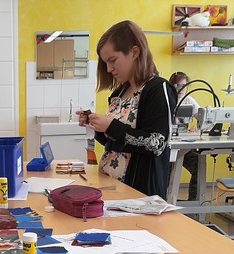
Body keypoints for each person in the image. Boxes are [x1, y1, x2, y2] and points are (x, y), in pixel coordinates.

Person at [78, 20, 176, 199]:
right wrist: (96, 125)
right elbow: (115, 142)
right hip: (111, 186)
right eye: (106, 63)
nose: (109, 69)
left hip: (139, 194)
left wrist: (111, 126)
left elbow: (156, 144)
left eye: (113, 60)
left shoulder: (157, 89)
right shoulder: (119, 93)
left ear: (134, 52)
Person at [169, 71, 201, 201]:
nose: (181, 89)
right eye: (178, 85)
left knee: (198, 168)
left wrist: (198, 126)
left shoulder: (189, 101)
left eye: (184, 86)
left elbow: (202, 117)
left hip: (183, 145)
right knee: (166, 172)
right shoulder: (166, 100)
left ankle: (193, 202)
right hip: (168, 146)